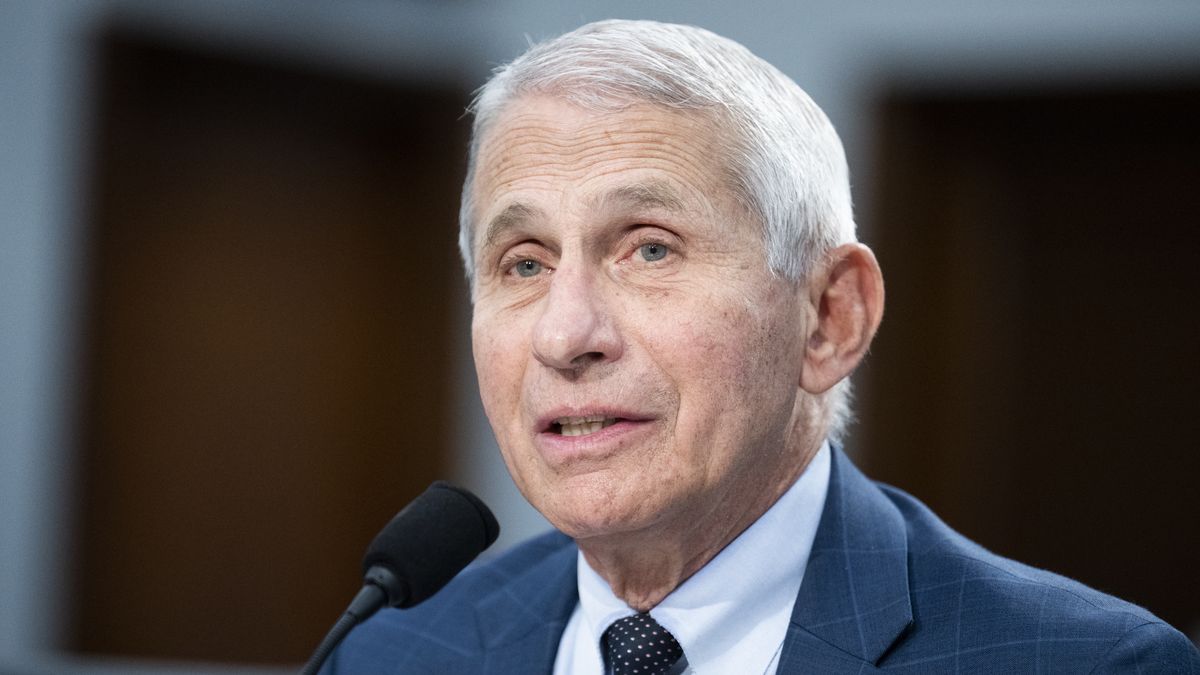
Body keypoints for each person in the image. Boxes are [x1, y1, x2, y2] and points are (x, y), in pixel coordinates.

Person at [325, 19, 1200, 674]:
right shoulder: (394, 653)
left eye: (650, 248)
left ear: (830, 318)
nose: (565, 335)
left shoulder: (1081, 664)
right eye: (523, 262)